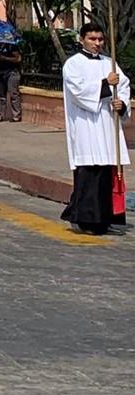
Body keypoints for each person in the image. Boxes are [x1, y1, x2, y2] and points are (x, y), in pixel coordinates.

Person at [60, 22, 129, 235]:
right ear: (82, 39)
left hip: (107, 124)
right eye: (92, 39)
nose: (97, 43)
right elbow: (78, 92)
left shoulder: (110, 63)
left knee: (106, 172)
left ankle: (105, 218)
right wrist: (105, 84)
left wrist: (121, 104)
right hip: (85, 125)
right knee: (89, 172)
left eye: (100, 39)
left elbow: (124, 86)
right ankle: (86, 219)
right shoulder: (73, 64)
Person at [0, 42, 23, 123]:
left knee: (13, 94)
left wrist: (5, 58)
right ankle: (0, 115)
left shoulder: (11, 45)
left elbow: (18, 58)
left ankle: (16, 115)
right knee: (1, 95)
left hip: (11, 72)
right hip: (0, 72)